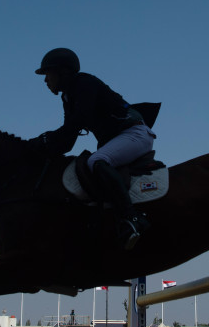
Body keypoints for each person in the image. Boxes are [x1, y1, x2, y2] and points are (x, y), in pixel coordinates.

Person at [30, 48, 154, 250]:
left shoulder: (84, 83)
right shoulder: (68, 97)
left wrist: (46, 138)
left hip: (135, 134)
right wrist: (38, 149)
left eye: (48, 74)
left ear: (63, 71)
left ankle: (132, 218)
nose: (45, 80)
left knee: (96, 161)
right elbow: (67, 140)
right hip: (119, 138)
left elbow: (79, 120)